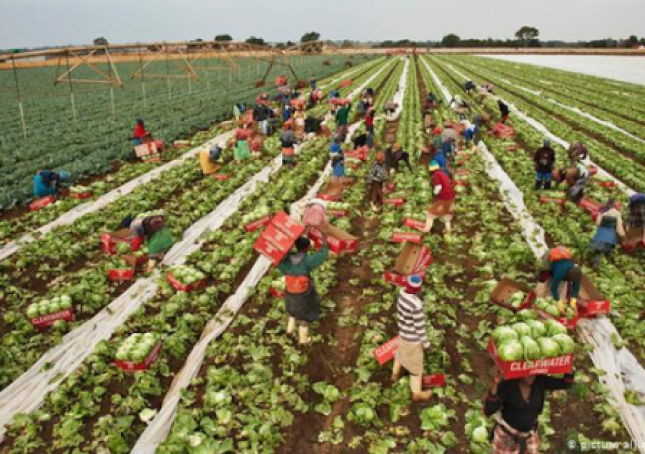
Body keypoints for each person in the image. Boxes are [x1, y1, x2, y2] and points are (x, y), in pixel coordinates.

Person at [484, 371, 575, 454]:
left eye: (534, 373)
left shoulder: (540, 381)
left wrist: (569, 367)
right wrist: (495, 384)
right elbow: (489, 410)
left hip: (529, 436)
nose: (531, 376)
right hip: (507, 438)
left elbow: (566, 383)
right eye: (527, 373)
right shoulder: (508, 384)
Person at [278, 235, 329, 345]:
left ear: (295, 247)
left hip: (290, 290)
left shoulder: (287, 259)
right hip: (303, 293)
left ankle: (289, 330)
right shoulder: (307, 260)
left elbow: (280, 265)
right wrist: (324, 243)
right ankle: (303, 340)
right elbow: (321, 256)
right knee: (305, 314)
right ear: (307, 248)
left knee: (292, 308)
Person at [391, 275, 433, 402]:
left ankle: (395, 374)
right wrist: (426, 344)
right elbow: (419, 328)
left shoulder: (401, 294)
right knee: (416, 368)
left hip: (403, 334)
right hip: (413, 340)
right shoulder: (416, 305)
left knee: (400, 354)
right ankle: (417, 393)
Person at [536, 246, 581, 312]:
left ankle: (559, 305)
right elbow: (553, 288)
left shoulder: (577, 273)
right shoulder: (560, 272)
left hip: (564, 260)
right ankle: (538, 301)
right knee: (545, 283)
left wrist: (573, 301)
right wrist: (558, 301)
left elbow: (576, 286)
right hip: (551, 259)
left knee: (562, 288)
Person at [421, 161, 455, 235]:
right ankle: (448, 230)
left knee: (430, 213)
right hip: (451, 197)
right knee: (447, 213)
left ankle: (426, 229)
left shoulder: (436, 175)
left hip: (444, 198)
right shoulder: (442, 173)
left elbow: (438, 187)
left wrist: (435, 193)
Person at [590, 199, 625, 269]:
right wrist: (623, 236)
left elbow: (598, 223)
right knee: (607, 249)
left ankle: (595, 262)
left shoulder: (602, 212)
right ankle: (606, 262)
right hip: (610, 235)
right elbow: (619, 229)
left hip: (601, 233)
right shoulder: (617, 214)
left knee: (598, 250)